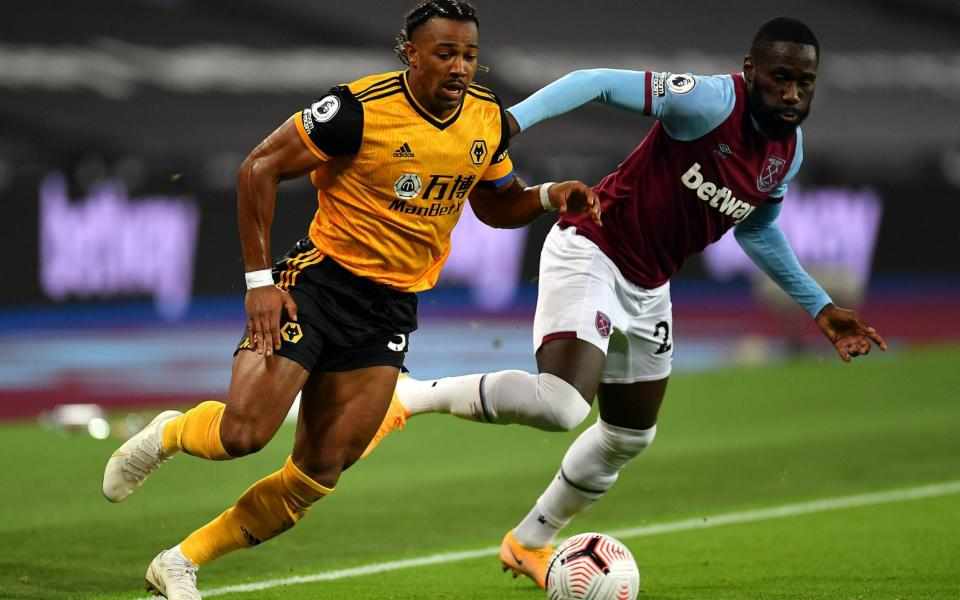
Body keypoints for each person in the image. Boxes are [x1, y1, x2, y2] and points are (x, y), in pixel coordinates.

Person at [364, 16, 888, 589]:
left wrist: (819, 306)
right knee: (563, 406)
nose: (791, 93)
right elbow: (593, 81)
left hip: (649, 283)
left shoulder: (787, 154)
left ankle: (529, 543)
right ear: (749, 71)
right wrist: (507, 122)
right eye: (779, 78)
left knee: (630, 436)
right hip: (593, 246)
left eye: (803, 83)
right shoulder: (711, 103)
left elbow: (757, 230)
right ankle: (410, 395)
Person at [100, 2, 600, 598]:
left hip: (389, 311)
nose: (460, 67)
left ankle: (181, 561)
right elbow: (257, 169)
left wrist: (547, 195)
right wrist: (260, 284)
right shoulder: (358, 110)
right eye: (445, 54)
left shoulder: (485, 118)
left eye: (469, 55)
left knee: (318, 472)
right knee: (244, 435)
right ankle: (171, 433)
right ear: (410, 54)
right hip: (316, 287)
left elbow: (493, 203)